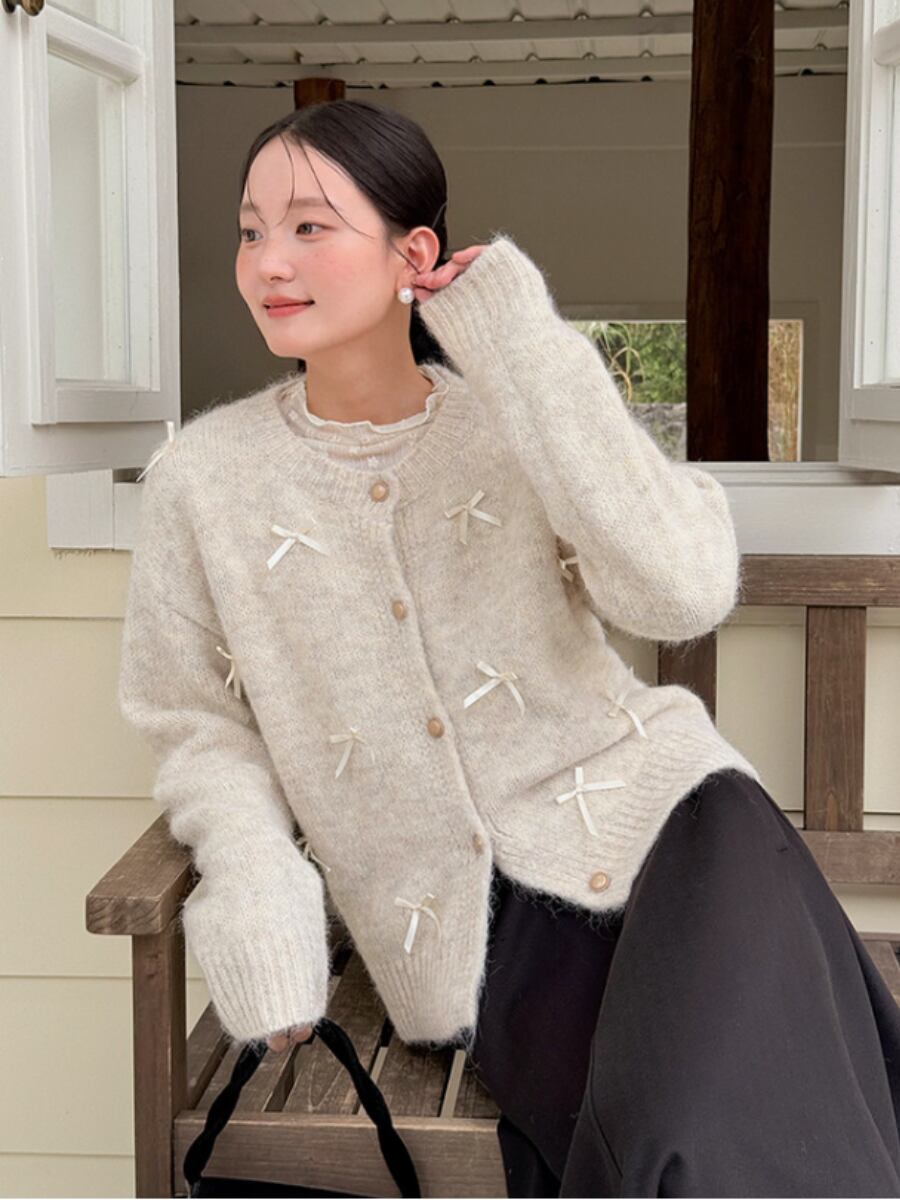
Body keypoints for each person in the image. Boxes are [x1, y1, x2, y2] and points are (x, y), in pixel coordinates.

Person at [117, 99, 900, 1195]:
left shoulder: (509, 413)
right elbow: (197, 725)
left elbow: (680, 590)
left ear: (412, 254)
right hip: (473, 931)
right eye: (251, 230)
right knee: (686, 1133)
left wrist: (527, 347)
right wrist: (256, 887)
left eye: (309, 226)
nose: (267, 262)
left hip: (678, 824)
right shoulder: (201, 482)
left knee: (730, 1128)